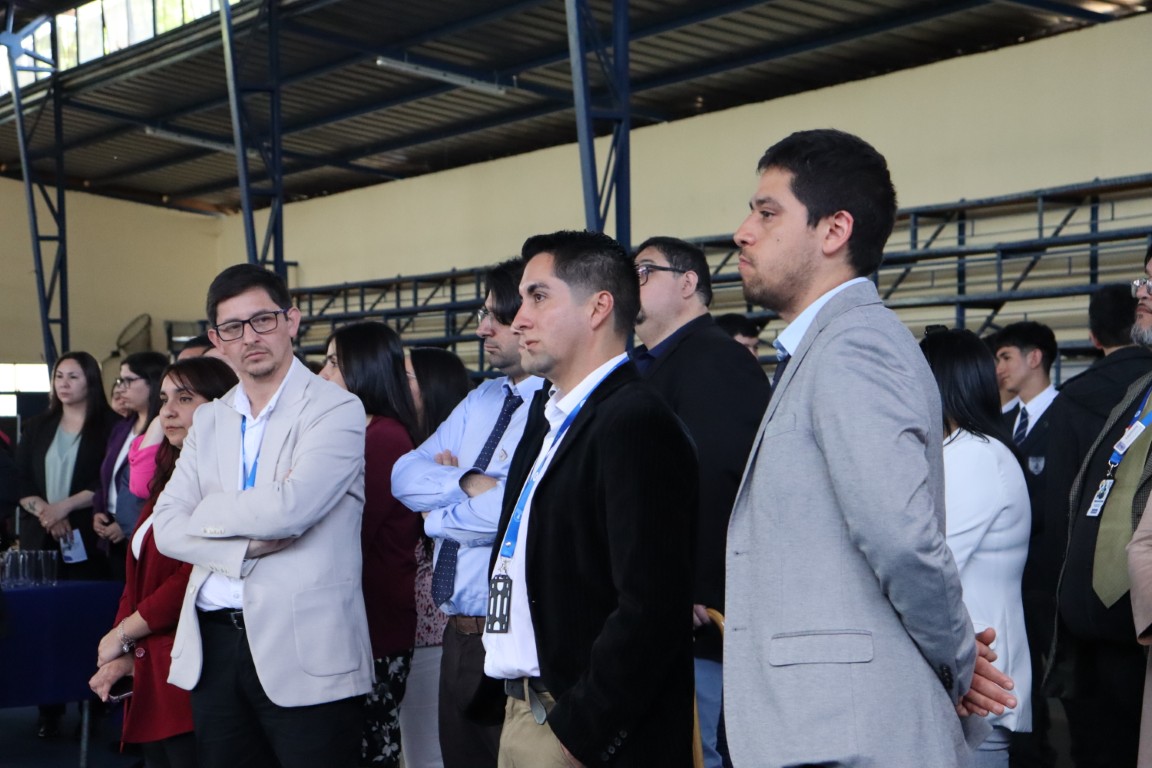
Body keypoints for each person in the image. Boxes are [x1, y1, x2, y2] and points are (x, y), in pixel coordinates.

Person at [723, 129, 1016, 768]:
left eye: (767, 213)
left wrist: (959, 661)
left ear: (834, 230)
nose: (743, 232)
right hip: (824, 725)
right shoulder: (827, 347)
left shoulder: (855, 346)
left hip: (844, 733)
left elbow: (901, 538)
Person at [483, 230, 698, 766]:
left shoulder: (635, 421)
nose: (518, 320)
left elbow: (651, 606)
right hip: (524, 706)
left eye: (538, 297)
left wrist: (583, 732)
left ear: (599, 307)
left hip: (578, 730)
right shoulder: (548, 417)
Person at [152, 263, 374, 768]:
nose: (250, 337)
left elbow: (290, 510)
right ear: (217, 340)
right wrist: (243, 546)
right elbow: (166, 527)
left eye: (263, 320)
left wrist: (203, 513)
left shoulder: (335, 408)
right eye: (233, 327)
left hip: (306, 648)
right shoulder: (210, 419)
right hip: (214, 644)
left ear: (291, 321)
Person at [392, 260, 546, 768]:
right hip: (457, 633)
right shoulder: (482, 399)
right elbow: (403, 475)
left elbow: (519, 510)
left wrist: (436, 518)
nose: (482, 329)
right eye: (483, 314)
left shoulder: (555, 405)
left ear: (530, 317)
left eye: (496, 317)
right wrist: (467, 483)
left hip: (515, 636)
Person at [631, 235, 771, 767]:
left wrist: (697, 586)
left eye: (644, 271)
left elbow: (722, 479)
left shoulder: (715, 358)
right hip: (658, 604)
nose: (631, 284)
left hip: (697, 617)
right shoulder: (650, 363)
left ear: (688, 283)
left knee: (697, 751)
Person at [89, 356, 238, 768]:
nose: (167, 412)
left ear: (220, 405)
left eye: (184, 399)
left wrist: (124, 633)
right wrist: (123, 643)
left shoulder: (225, 482)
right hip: (153, 658)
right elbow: (136, 576)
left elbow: (191, 577)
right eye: (163, 399)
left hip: (193, 661)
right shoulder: (169, 479)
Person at [1049, 252, 1152, 768]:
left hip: (1136, 638)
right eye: (1144, 279)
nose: (1142, 292)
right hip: (1094, 638)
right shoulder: (1138, 390)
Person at [921, 328, 1034, 767]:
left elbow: (928, 561)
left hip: (976, 679)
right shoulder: (964, 450)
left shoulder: (976, 455)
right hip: (963, 675)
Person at [319, 321, 423, 768]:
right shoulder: (355, 431)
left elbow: (350, 530)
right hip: (353, 619)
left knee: (371, 748)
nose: (322, 374)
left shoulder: (384, 436)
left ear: (364, 369)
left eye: (333, 363)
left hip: (374, 625)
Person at [15, 350, 115, 737]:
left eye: (73, 376)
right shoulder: (37, 426)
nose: (64, 384)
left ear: (91, 380)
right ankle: (49, 709)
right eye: (59, 376)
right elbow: (21, 480)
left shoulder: (110, 426)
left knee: (88, 621)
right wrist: (47, 512)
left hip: (88, 536)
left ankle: (94, 706)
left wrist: (65, 507)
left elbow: (106, 480)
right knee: (45, 623)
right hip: (41, 539)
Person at [399, 345, 472, 768]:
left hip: (441, 624)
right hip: (409, 625)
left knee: (432, 755)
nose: (394, 383)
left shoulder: (463, 453)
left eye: (406, 376)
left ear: (433, 387)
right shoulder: (407, 448)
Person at [94, 351, 169, 581]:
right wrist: (99, 510)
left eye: (129, 380)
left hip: (144, 531)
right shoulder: (122, 427)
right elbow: (106, 477)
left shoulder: (165, 431)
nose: (121, 388)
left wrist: (125, 521)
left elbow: (155, 488)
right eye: (120, 380)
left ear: (153, 382)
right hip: (111, 533)